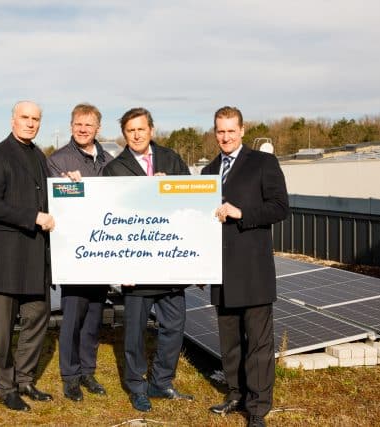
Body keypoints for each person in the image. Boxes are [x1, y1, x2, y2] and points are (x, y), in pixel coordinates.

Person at [102, 107, 194, 412]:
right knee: (134, 333)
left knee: (173, 326)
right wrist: (118, 267)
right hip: (136, 267)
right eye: (131, 131)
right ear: (124, 135)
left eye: (141, 129)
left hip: (170, 263)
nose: (137, 135)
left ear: (151, 130)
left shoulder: (171, 159)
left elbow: (193, 202)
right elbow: (107, 217)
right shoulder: (115, 170)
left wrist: (172, 190)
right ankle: (137, 386)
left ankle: (162, 382)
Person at [202, 106, 289, 427]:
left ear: (242, 130)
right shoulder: (208, 172)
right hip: (221, 271)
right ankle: (235, 394)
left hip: (253, 271)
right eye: (220, 131)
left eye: (230, 131)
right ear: (215, 132)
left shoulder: (263, 163)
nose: (225, 137)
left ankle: (258, 409)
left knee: (258, 344)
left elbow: (280, 207)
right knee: (230, 343)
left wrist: (243, 214)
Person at [0, 100, 56, 412]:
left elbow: (48, 195)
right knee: (4, 331)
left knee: (37, 317)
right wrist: (33, 217)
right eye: (25, 117)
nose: (30, 123)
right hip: (5, 259)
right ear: (13, 120)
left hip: (35, 256)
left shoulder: (39, 156)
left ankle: (25, 379)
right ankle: (6, 388)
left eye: (36, 119)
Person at [47, 103, 114, 402]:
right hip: (75, 253)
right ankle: (70, 376)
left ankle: (88, 371)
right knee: (73, 317)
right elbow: (54, 204)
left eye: (89, 124)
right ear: (72, 125)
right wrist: (66, 186)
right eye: (78, 124)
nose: (83, 129)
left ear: (98, 127)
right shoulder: (59, 161)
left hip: (101, 253)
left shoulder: (110, 161)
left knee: (94, 317)